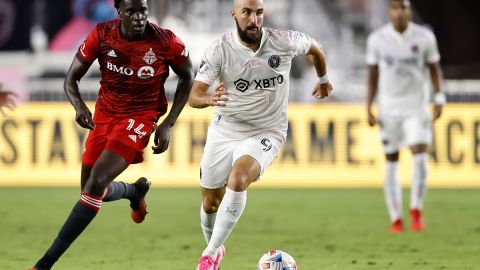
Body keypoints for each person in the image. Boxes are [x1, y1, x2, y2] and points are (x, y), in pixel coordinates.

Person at [31, 0, 194, 269]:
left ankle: (44, 264)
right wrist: (80, 107)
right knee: (92, 191)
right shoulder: (102, 34)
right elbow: (71, 78)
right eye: (131, 11)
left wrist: (169, 123)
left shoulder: (166, 41)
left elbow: (188, 75)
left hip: (140, 118)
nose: (139, 17)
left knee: (96, 182)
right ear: (118, 12)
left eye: (143, 10)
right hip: (104, 116)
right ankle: (134, 191)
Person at [188, 0, 332, 269]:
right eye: (247, 13)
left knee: (239, 178)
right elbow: (193, 95)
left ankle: (208, 255)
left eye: (259, 13)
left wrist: (323, 80)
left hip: (267, 130)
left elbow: (316, 49)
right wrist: (208, 99)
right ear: (234, 14)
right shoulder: (220, 49)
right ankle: (216, 250)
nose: (254, 19)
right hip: (226, 129)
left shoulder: (284, 41)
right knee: (210, 204)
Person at [366, 0, 445, 233]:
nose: (400, 12)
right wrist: (368, 106)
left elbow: (434, 69)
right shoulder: (377, 40)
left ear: (410, 11)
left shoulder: (424, 38)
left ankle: (416, 210)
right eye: (395, 8)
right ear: (389, 12)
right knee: (391, 159)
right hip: (388, 108)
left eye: (404, 7)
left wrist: (439, 98)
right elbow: (372, 74)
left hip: (416, 106)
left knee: (419, 154)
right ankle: (396, 217)